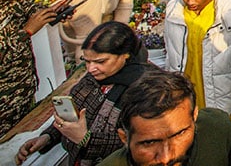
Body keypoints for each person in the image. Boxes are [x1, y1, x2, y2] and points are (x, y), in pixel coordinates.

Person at [15, 22, 151, 166]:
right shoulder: (92, 80)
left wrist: (86, 139)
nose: (91, 68)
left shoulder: (146, 90)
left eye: (100, 61)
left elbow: (141, 144)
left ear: (126, 55)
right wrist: (48, 138)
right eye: (86, 61)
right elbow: (73, 117)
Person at [99, 69, 231, 166]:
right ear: (125, 138)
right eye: (149, 143)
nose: (166, 157)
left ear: (195, 116)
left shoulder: (218, 130)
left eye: (179, 134)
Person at [0, 0, 70, 137]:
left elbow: (32, 9)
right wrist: (26, 32)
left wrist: (55, 12)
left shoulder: (12, 0)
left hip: (20, 98)